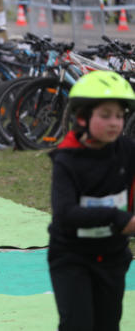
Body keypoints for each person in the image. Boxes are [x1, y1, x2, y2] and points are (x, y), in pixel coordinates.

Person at [48, 70, 135, 330]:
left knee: (108, 324)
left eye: (120, 116)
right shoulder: (66, 160)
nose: (114, 123)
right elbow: (65, 213)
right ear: (83, 117)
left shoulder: (127, 151)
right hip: (72, 257)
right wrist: (118, 219)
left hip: (112, 256)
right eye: (105, 115)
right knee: (78, 324)